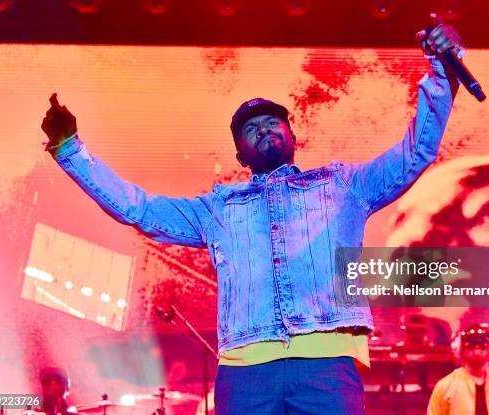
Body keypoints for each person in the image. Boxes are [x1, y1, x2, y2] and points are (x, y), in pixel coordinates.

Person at [41, 15, 462, 415]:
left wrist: (442, 72)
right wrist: (72, 151)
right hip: (245, 369)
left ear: (294, 137)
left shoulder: (341, 186)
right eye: (250, 128)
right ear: (240, 153)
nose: (262, 129)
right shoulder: (218, 209)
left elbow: (414, 153)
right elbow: (141, 209)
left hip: (326, 362)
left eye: (272, 122)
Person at [427, 323, 489, 415]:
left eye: (482, 347)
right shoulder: (444, 387)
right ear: (460, 349)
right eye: (471, 347)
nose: (477, 351)